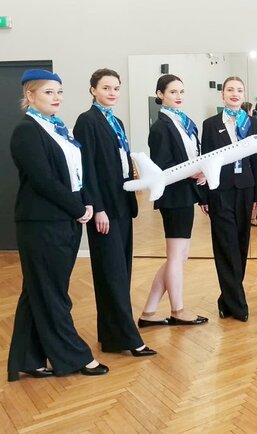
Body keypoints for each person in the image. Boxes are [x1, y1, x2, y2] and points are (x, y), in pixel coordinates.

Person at [8, 69, 108, 381]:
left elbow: (77, 173)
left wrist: (86, 202)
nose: (57, 98)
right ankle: (74, 357)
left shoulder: (58, 128)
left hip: (65, 219)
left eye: (59, 92)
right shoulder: (26, 131)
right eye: (49, 92)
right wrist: (78, 208)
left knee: (38, 290)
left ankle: (27, 358)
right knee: (52, 293)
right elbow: (44, 180)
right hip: (42, 223)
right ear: (30, 95)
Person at [73, 68, 156, 356]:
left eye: (116, 88)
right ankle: (130, 339)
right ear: (93, 90)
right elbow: (87, 169)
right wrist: (98, 208)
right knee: (111, 274)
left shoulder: (115, 121)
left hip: (122, 204)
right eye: (106, 88)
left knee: (121, 273)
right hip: (105, 209)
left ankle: (112, 337)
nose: (112, 93)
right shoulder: (87, 121)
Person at [138, 74, 208, 327]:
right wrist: (193, 173)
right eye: (172, 92)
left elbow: (192, 156)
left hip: (185, 194)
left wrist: (201, 171)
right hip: (174, 196)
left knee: (178, 257)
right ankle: (177, 310)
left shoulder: (184, 122)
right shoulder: (161, 127)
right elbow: (163, 167)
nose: (178, 96)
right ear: (160, 95)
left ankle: (149, 312)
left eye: (181, 91)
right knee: (177, 256)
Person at [201, 76, 257, 322]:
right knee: (225, 245)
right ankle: (238, 305)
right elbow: (205, 160)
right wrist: (204, 197)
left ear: (244, 94)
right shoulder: (210, 124)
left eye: (239, 90)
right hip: (220, 190)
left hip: (246, 189)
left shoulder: (253, 123)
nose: (234, 94)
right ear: (222, 94)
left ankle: (226, 299)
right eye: (230, 90)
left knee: (241, 244)